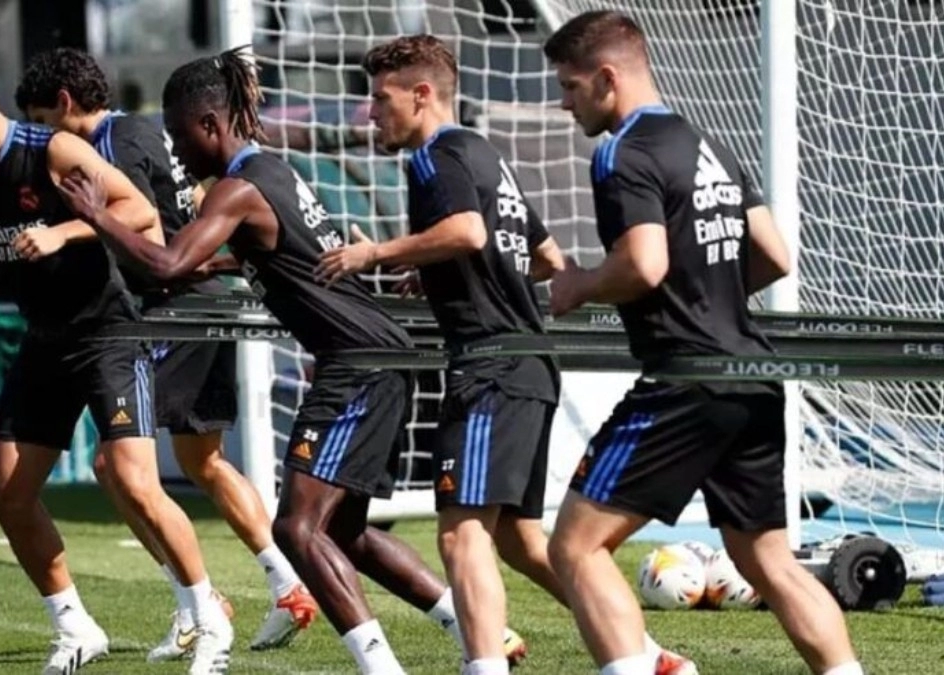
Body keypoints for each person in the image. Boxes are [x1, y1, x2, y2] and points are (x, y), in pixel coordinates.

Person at [56, 46, 527, 675]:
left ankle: (381, 669)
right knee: (344, 535)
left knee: (297, 530)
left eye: (179, 135)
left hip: (358, 364)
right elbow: (280, 253)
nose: (177, 151)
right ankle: (474, 629)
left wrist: (95, 215)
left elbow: (168, 263)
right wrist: (221, 263)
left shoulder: (238, 188)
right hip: (378, 358)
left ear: (209, 125)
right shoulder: (271, 171)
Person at [318, 34, 692, 675]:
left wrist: (376, 252)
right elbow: (545, 258)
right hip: (528, 365)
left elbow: (468, 231)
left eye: (381, 99)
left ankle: (485, 668)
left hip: (491, 367)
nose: (371, 113)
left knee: (459, 533)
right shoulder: (482, 152)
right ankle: (650, 655)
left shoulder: (436, 156)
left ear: (422, 95)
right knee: (519, 542)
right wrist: (437, 271)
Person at [541, 11, 861, 675]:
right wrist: (707, 293)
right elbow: (774, 255)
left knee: (575, 545)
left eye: (570, 87)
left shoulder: (621, 151)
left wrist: (578, 286)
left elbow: (644, 264)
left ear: (607, 78)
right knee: (767, 560)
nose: (565, 104)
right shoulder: (706, 141)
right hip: (751, 373)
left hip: (684, 380)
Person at [0, 45, 232, 675]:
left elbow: (139, 212)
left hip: (108, 332)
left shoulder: (53, 150)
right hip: (44, 338)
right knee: (10, 497)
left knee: (135, 482)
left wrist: (63, 231)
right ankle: (76, 627)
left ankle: (209, 618)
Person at [16, 46, 317, 658]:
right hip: (203, 305)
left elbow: (143, 223)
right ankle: (287, 584)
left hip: (173, 308)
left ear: (65, 104)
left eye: (43, 122)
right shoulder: (146, 132)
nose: (44, 139)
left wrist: (64, 234)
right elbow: (193, 203)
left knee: (116, 466)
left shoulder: (113, 145)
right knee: (203, 460)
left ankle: (195, 603)